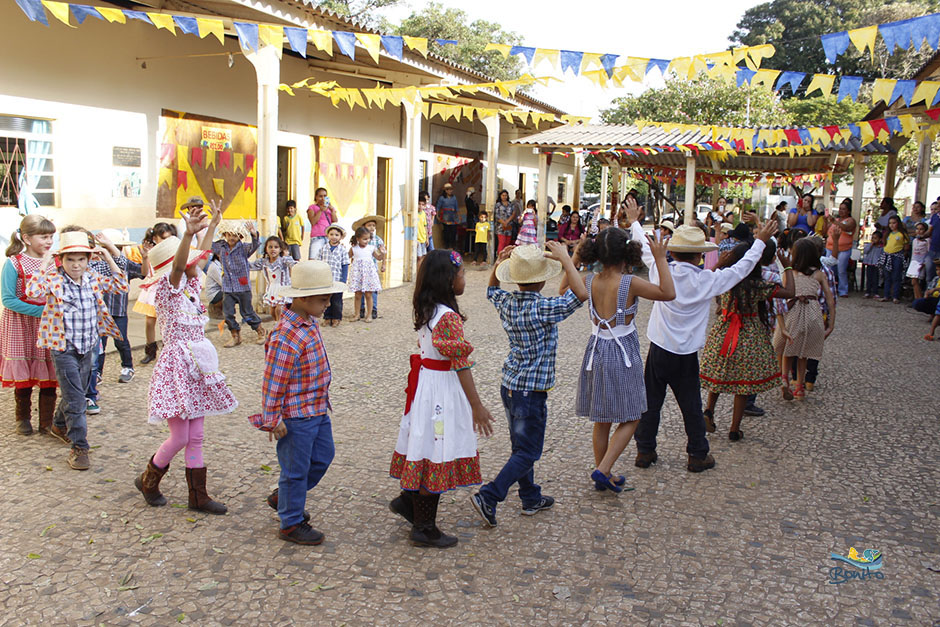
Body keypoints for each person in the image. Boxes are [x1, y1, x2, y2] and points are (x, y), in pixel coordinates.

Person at [623, 197, 778, 473]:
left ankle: (644, 451)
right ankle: (697, 454)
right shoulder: (706, 280)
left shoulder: (663, 272)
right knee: (692, 406)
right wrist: (761, 241)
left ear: (676, 252)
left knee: (651, 403)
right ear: (699, 256)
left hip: (659, 349)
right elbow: (740, 270)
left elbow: (647, 252)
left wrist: (635, 221)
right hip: (686, 355)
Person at [470, 241, 588, 528]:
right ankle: (490, 495)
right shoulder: (545, 308)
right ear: (542, 279)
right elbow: (581, 295)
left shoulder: (507, 303)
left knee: (520, 447)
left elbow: (491, 290)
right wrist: (567, 260)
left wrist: (498, 263)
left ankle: (529, 496)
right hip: (530, 394)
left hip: (510, 385)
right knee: (528, 451)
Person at [389, 250, 495, 547]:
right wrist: (476, 406)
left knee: (424, 444)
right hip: (440, 392)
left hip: (427, 386)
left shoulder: (428, 308)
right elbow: (460, 364)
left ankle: (408, 502)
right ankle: (424, 527)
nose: (464, 280)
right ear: (448, 280)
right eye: (461, 275)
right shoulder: (447, 317)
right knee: (436, 448)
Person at [134, 204, 236, 513]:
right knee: (179, 436)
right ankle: (149, 478)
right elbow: (178, 268)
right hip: (176, 368)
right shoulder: (170, 289)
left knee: (197, 435)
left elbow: (198, 258)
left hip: (198, 367)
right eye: (189, 257)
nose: (197, 260)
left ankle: (198, 496)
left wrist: (212, 226)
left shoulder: (193, 286)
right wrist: (188, 234)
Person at [571, 228, 676, 493]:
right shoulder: (629, 283)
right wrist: (660, 258)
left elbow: (564, 286)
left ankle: (603, 472)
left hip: (596, 351)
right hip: (622, 353)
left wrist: (570, 257)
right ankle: (603, 469)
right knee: (633, 414)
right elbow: (668, 292)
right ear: (627, 252)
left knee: (602, 418)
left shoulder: (590, 280)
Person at [250, 261, 346, 545]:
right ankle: (290, 522)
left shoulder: (309, 322)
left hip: (317, 409)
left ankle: (285, 496)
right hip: (295, 416)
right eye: (323, 299)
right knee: (295, 470)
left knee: (322, 457)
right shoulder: (286, 334)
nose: (328, 304)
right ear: (302, 299)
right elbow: (273, 380)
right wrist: (273, 418)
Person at [27, 230, 128, 470]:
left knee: (78, 390)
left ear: (88, 260)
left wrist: (108, 256)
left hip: (88, 345)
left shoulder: (93, 277)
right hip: (63, 348)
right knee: (76, 399)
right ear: (61, 260)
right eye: (70, 260)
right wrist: (45, 262)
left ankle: (59, 423)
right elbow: (32, 291)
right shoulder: (54, 279)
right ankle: (79, 447)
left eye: (81, 259)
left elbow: (121, 285)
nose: (76, 265)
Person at [700, 242, 795, 440]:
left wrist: (719, 263)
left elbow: (703, 280)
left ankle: (709, 411)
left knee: (719, 374)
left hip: (724, 330)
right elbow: (790, 292)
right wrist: (787, 266)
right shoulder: (757, 285)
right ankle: (734, 429)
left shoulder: (725, 281)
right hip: (749, 333)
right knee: (744, 382)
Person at [1, 214, 57, 436]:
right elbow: (8, 299)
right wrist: (42, 311)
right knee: (23, 372)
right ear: (26, 238)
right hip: (20, 324)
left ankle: (46, 421)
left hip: (48, 326)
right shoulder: (14, 263)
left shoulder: (56, 262)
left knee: (49, 371)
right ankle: (22, 418)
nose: (49, 241)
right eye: (44, 237)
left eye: (51, 236)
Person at [782, 238, 835, 399]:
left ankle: (784, 380)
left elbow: (783, 295)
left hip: (792, 311)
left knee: (787, 350)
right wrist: (830, 325)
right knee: (804, 352)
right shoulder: (819, 274)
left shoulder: (789, 272)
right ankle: (800, 387)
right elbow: (830, 300)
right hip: (812, 313)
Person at [203, 217, 266, 347]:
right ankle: (235, 335)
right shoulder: (221, 247)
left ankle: (260, 330)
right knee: (228, 313)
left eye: (236, 235)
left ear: (241, 237)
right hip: (228, 288)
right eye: (229, 234)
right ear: (225, 234)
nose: (232, 237)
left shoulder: (244, 249)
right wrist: (211, 227)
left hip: (243, 287)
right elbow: (208, 244)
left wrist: (254, 234)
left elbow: (255, 245)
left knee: (247, 312)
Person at [135, 221, 178, 365]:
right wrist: (145, 257)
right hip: (153, 289)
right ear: (155, 238)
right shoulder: (150, 251)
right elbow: (144, 273)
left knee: (168, 322)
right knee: (149, 321)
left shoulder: (174, 250)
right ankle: (150, 350)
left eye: (169, 238)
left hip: (169, 288)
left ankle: (169, 350)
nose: (167, 242)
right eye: (164, 238)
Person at [250, 236, 297, 323]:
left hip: (283, 287)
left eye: (276, 247)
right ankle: (277, 323)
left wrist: (290, 260)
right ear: (266, 249)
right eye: (270, 247)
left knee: (279, 308)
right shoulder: (264, 262)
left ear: (280, 249)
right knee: (272, 310)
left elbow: (294, 264)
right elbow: (250, 266)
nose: (273, 249)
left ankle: (280, 325)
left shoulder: (283, 260)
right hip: (272, 288)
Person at [346, 226, 384, 323]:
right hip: (358, 274)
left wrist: (383, 253)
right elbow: (346, 257)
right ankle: (357, 314)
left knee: (368, 295)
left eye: (368, 239)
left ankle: (369, 314)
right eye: (364, 239)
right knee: (358, 295)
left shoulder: (371, 248)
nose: (367, 241)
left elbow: (379, 257)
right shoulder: (354, 249)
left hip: (368, 275)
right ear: (358, 238)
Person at [354, 215, 386, 320]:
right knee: (360, 290)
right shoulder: (357, 243)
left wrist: (384, 263)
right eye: (369, 225)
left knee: (372, 291)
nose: (372, 227)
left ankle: (373, 310)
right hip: (360, 269)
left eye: (373, 225)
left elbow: (382, 254)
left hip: (372, 269)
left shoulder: (377, 240)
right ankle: (361, 310)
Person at [317, 223, 348, 326]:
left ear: (340, 237)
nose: (334, 237)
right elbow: (319, 262)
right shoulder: (323, 248)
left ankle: (336, 317)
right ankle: (327, 317)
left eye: (336, 235)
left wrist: (343, 279)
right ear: (328, 235)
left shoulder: (343, 250)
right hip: (325, 279)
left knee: (337, 299)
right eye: (331, 234)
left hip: (337, 279)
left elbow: (345, 264)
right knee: (326, 299)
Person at [826, 199, 857, 298]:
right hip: (830, 247)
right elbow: (826, 231)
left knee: (841, 270)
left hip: (844, 249)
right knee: (829, 269)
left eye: (844, 209)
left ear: (848, 211)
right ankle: (829, 289)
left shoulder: (851, 220)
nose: (841, 211)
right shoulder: (836, 220)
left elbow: (847, 228)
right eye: (840, 209)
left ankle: (843, 290)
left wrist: (834, 221)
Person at [877, 215, 909, 303]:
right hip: (887, 256)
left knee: (896, 277)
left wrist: (903, 255)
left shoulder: (902, 234)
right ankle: (886, 295)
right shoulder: (888, 234)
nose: (892, 225)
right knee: (887, 277)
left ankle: (895, 296)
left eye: (894, 223)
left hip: (897, 256)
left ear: (898, 223)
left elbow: (906, 246)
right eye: (890, 223)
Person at [306, 188, 336, 260]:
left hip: (328, 237)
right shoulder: (312, 207)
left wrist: (332, 210)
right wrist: (320, 211)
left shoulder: (329, 208)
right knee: (314, 260)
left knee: (327, 261)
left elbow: (335, 220)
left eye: (325, 196)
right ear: (316, 197)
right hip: (317, 237)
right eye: (320, 196)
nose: (323, 198)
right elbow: (313, 222)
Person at [908, 222, 930, 300]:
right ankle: (916, 298)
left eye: (921, 229)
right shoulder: (914, 240)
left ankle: (919, 299)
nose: (919, 231)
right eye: (917, 229)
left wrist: (924, 263)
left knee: (916, 281)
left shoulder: (927, 241)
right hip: (914, 262)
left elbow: (928, 252)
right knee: (913, 282)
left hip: (921, 262)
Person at [436, 183, 459, 249]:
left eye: (451, 190)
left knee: (453, 232)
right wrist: (437, 215)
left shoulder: (454, 197)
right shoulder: (442, 198)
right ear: (445, 191)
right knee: (447, 232)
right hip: (445, 216)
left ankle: (453, 246)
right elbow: (438, 207)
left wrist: (457, 215)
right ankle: (447, 246)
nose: (450, 191)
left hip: (453, 216)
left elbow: (456, 207)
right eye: (448, 190)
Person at [862, 231, 884, 298]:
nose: (874, 240)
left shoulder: (881, 247)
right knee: (869, 278)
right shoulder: (869, 245)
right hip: (869, 263)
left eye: (875, 238)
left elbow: (882, 255)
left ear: (880, 239)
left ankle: (875, 292)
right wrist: (871, 245)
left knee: (875, 278)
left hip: (876, 264)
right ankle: (868, 291)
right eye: (873, 238)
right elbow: (865, 251)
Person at [926, 201, 940, 284]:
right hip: (932, 249)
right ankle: (929, 291)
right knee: (929, 271)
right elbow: (929, 231)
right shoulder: (935, 217)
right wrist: (922, 235)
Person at [464, 187, 479, 254]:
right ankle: (467, 249)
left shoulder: (474, 201)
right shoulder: (468, 200)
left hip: (474, 217)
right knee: (469, 233)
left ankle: (473, 249)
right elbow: (467, 203)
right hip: (471, 218)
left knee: (474, 235)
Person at [416, 196, 429, 267]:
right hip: (417, 239)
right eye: (419, 204)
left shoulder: (424, 214)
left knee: (423, 256)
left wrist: (427, 238)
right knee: (419, 257)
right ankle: (418, 272)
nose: (420, 206)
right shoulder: (415, 214)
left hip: (423, 238)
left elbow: (425, 226)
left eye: (422, 204)